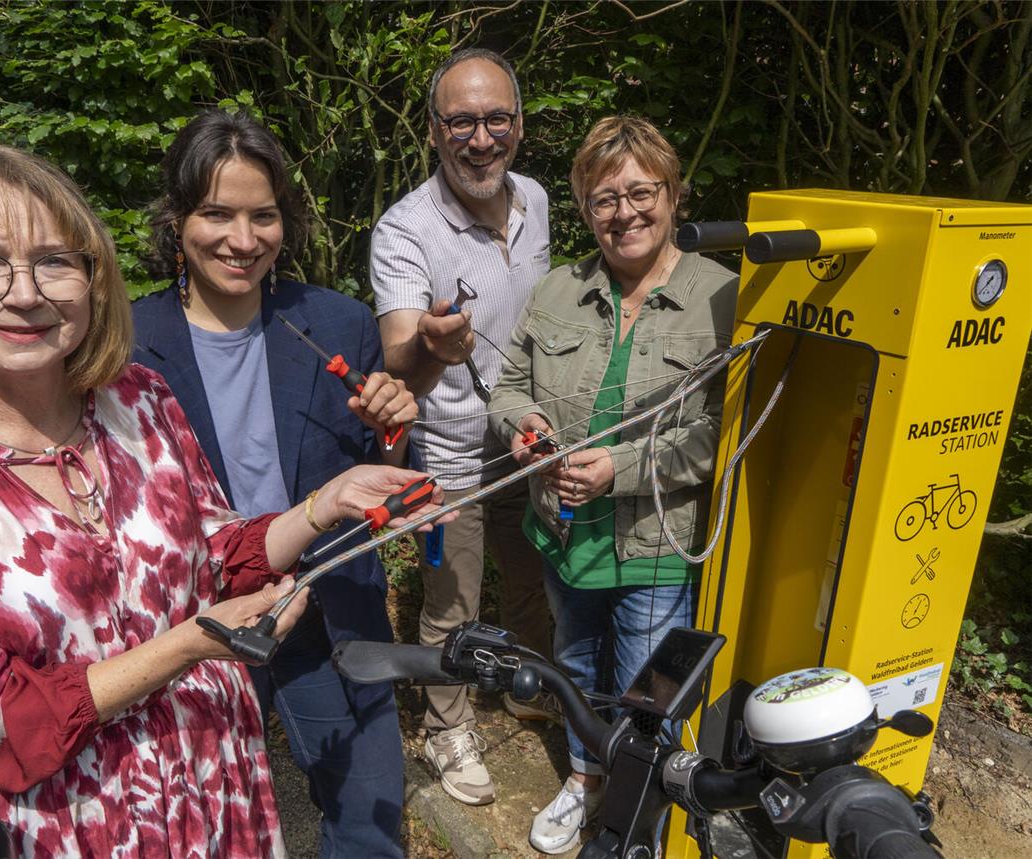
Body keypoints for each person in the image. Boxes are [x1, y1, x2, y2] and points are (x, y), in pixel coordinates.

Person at [0, 144, 446, 857]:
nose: (24, 291)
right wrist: (189, 643)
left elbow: (213, 552)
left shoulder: (137, 400)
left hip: (211, 790)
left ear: (93, 275)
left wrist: (323, 504)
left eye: (55, 260)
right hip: (59, 826)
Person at [131, 109, 414, 858]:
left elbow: (376, 464)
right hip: (203, 621)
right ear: (176, 217)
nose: (242, 239)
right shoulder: (126, 348)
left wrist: (393, 425)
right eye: (216, 213)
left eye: (263, 216)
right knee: (202, 821)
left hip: (326, 609)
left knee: (370, 809)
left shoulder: (337, 322)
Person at [487, 116, 737, 854]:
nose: (623, 212)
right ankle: (587, 777)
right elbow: (506, 388)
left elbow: (722, 434)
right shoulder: (558, 290)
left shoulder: (723, 298)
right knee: (571, 662)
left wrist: (620, 469)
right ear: (584, 207)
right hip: (565, 531)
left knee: (644, 685)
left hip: (655, 540)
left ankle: (638, 816)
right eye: (603, 199)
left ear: (674, 193)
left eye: (640, 192)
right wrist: (526, 427)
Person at [369, 48, 554, 807]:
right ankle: (447, 724)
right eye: (462, 121)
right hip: (447, 455)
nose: (481, 138)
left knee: (535, 579)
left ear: (519, 122)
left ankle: (521, 685)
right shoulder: (405, 229)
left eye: (496, 118)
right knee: (451, 602)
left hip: (525, 437)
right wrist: (429, 346)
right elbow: (398, 345)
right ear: (434, 130)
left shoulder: (538, 198)